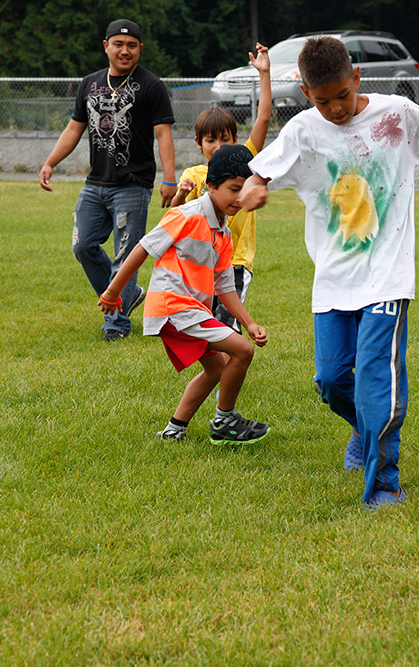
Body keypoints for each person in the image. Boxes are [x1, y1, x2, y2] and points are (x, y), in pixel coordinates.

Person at [237, 36, 419, 507]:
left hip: (387, 275)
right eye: (323, 100)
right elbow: (260, 170)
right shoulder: (304, 130)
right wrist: (254, 187)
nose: (336, 109)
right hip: (332, 279)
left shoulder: (398, 115)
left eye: (343, 96)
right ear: (307, 94)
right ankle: (366, 432)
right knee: (330, 381)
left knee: (376, 381)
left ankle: (384, 484)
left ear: (357, 79)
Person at [98, 144, 269, 444]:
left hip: (192, 310)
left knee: (218, 366)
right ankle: (225, 421)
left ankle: (174, 430)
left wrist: (250, 323)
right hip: (173, 305)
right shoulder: (186, 215)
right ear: (211, 186)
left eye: (245, 191)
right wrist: (113, 292)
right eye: (234, 189)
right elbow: (142, 249)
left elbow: (225, 288)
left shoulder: (224, 235)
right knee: (242, 350)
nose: (240, 199)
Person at [39, 18, 177, 341]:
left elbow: (164, 135)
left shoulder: (152, 86)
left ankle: (116, 324)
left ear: (140, 49)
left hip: (133, 184)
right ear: (106, 47)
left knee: (125, 255)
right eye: (118, 44)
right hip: (95, 183)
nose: (124, 50)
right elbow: (74, 129)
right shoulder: (89, 83)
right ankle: (126, 296)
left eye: (131, 45)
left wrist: (169, 179)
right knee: (82, 245)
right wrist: (50, 162)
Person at [170, 42, 272, 334]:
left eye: (225, 139)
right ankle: (218, 371)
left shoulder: (244, 161)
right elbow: (174, 219)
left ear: (236, 139)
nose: (217, 147)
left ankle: (229, 369)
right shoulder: (193, 174)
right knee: (207, 325)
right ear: (198, 144)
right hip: (202, 261)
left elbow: (263, 117)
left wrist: (264, 74)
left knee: (226, 327)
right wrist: (179, 192)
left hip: (235, 261)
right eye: (210, 141)